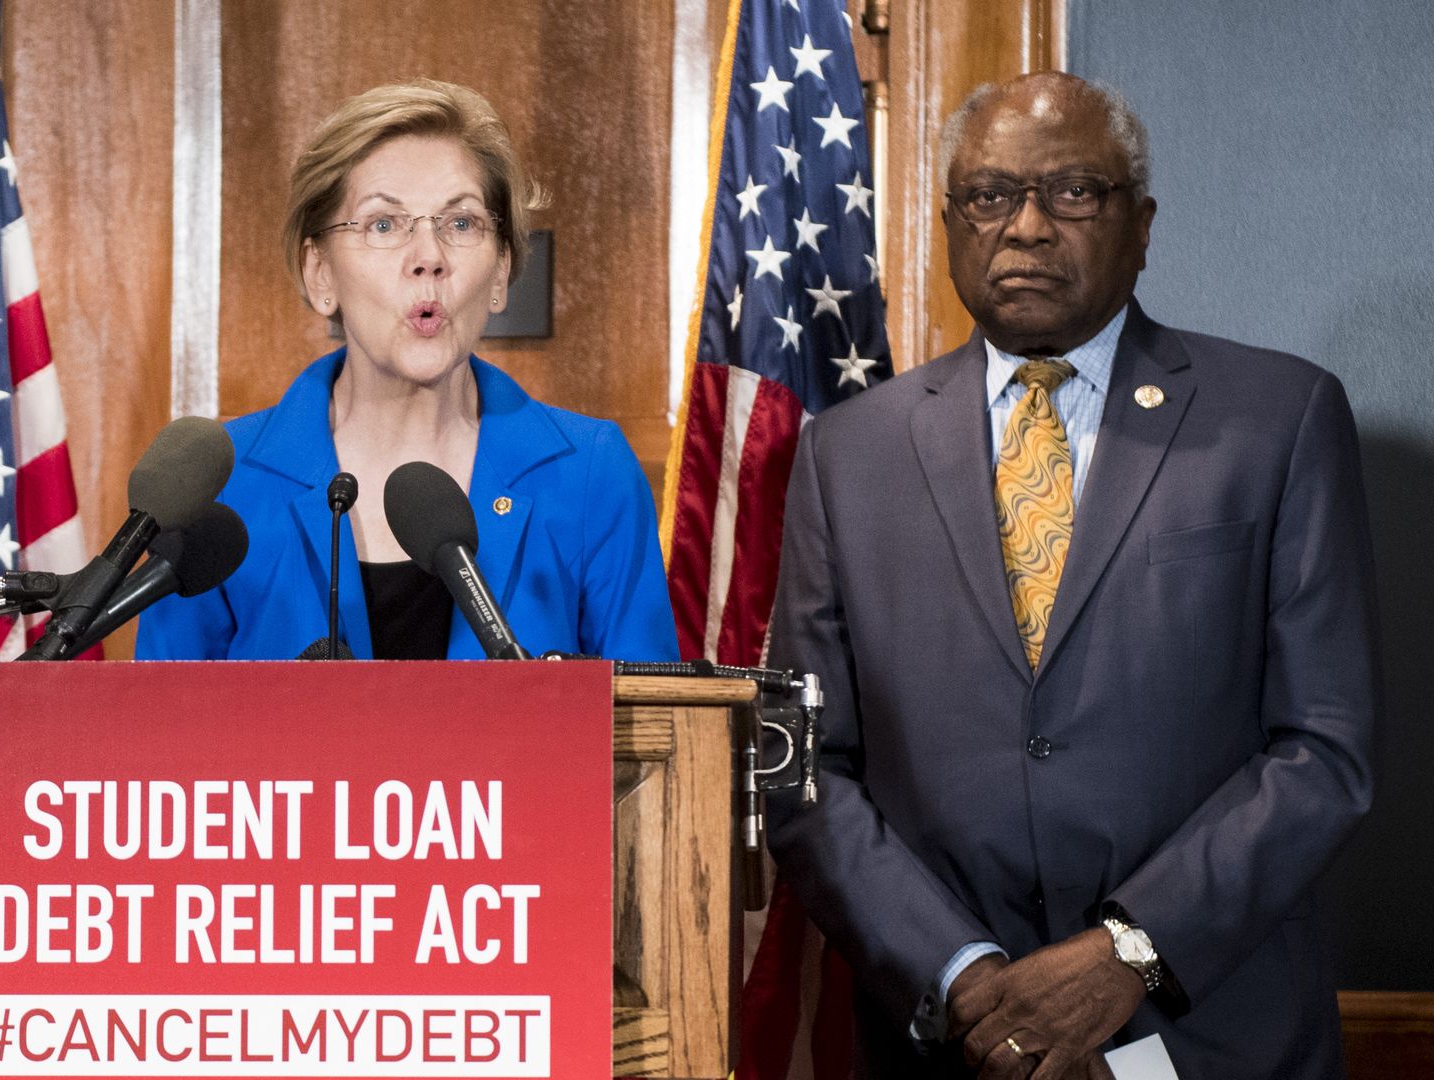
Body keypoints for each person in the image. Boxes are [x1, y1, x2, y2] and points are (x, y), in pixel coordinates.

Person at [765, 72, 1378, 1079]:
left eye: (1073, 193)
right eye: (990, 196)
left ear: (1141, 226)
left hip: (1202, 1034)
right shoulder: (847, 452)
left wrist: (1127, 958)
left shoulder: (1280, 421)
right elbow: (805, 771)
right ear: (952, 223)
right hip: (957, 1043)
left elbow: (1327, 750)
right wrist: (968, 983)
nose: (1028, 229)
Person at [137, 80, 677, 662]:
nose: (429, 257)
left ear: (500, 273)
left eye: (462, 223)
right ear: (319, 272)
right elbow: (163, 735)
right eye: (384, 224)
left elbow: (650, 733)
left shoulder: (592, 474)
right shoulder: (220, 489)